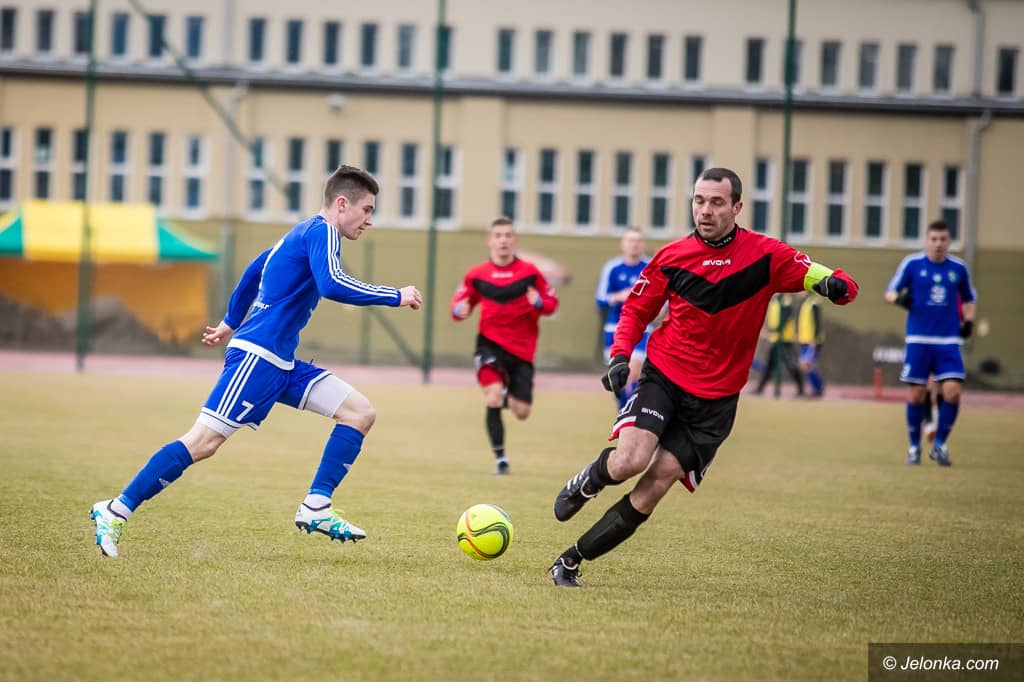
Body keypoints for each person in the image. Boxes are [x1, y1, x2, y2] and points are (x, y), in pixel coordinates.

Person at [90, 165, 423, 558]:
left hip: (281, 363)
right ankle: (115, 509)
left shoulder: (301, 234)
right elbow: (332, 283)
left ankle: (316, 506)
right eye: (366, 210)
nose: (369, 220)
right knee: (203, 442)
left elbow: (253, 270)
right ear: (341, 203)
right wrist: (395, 295)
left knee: (359, 413)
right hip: (258, 358)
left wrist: (230, 322)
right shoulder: (322, 232)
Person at [547, 167, 858, 587]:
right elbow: (636, 310)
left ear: (737, 207)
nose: (705, 210)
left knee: (656, 483)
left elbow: (829, 278)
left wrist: (837, 286)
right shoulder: (672, 257)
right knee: (630, 461)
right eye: (699, 201)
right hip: (666, 374)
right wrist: (620, 355)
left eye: (716, 202)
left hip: (716, 399)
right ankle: (588, 481)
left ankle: (570, 560)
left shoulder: (767, 255)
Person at [451, 217, 559, 474]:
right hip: (489, 345)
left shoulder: (530, 273)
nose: (503, 240)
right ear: (489, 241)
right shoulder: (476, 274)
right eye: (498, 235)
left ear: (515, 240)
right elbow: (459, 305)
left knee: (522, 412)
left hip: (522, 351)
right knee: (493, 396)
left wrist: (539, 303)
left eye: (508, 235)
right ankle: (500, 459)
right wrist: (459, 310)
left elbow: (551, 303)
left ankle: (509, 394)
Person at [885, 219, 976, 466]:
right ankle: (914, 447)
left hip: (948, 340)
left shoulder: (958, 268)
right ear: (927, 240)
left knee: (952, 392)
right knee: (916, 395)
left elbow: (969, 299)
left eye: (943, 239)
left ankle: (940, 445)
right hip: (918, 339)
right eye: (934, 239)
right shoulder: (912, 264)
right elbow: (890, 292)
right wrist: (899, 299)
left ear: (949, 241)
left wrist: (968, 322)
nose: (938, 244)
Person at [595, 227, 652, 409]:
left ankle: (631, 414)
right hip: (614, 328)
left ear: (643, 244)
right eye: (630, 240)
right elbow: (600, 299)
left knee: (634, 372)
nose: (634, 244)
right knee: (618, 376)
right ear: (623, 244)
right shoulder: (612, 267)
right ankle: (623, 411)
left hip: (641, 329)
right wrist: (620, 296)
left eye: (638, 240)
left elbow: (663, 300)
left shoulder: (650, 267)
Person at [753, 292, 805, 397]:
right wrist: (770, 331)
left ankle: (801, 389)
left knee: (791, 365)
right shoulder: (773, 302)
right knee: (770, 366)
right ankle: (760, 388)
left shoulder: (786, 300)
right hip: (775, 340)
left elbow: (784, 317)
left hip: (785, 340)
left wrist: (774, 330)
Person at [797, 291, 826, 397]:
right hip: (805, 340)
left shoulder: (814, 303)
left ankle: (818, 387)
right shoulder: (806, 303)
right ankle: (817, 387)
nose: (798, 293)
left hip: (812, 341)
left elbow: (817, 322)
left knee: (806, 364)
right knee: (806, 365)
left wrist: (814, 339)